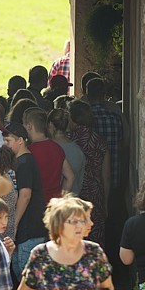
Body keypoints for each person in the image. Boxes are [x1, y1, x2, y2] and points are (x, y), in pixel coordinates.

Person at [16, 196, 114, 290]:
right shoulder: (40, 255)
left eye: (82, 220)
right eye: (74, 221)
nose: (80, 225)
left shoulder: (94, 253)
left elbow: (108, 289)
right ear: (58, 224)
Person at [2, 122, 47, 278]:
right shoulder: (19, 161)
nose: (5, 144)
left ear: (20, 140)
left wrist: (14, 223)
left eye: (8, 141)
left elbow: (25, 195)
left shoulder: (25, 162)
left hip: (30, 229)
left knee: (27, 276)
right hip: (26, 230)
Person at [67, 100, 110, 245]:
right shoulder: (99, 141)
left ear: (73, 118)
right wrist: (106, 201)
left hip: (75, 191)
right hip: (95, 191)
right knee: (95, 232)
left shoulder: (70, 141)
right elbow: (106, 175)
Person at [23, 108, 74, 204]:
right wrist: (61, 201)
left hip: (34, 204)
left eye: (24, 124)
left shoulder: (28, 151)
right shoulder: (57, 148)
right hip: (53, 205)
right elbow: (70, 177)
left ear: (29, 126)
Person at [47, 108, 85, 195]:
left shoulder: (47, 149)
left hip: (51, 202)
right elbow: (80, 180)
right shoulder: (77, 150)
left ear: (50, 125)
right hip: (72, 201)